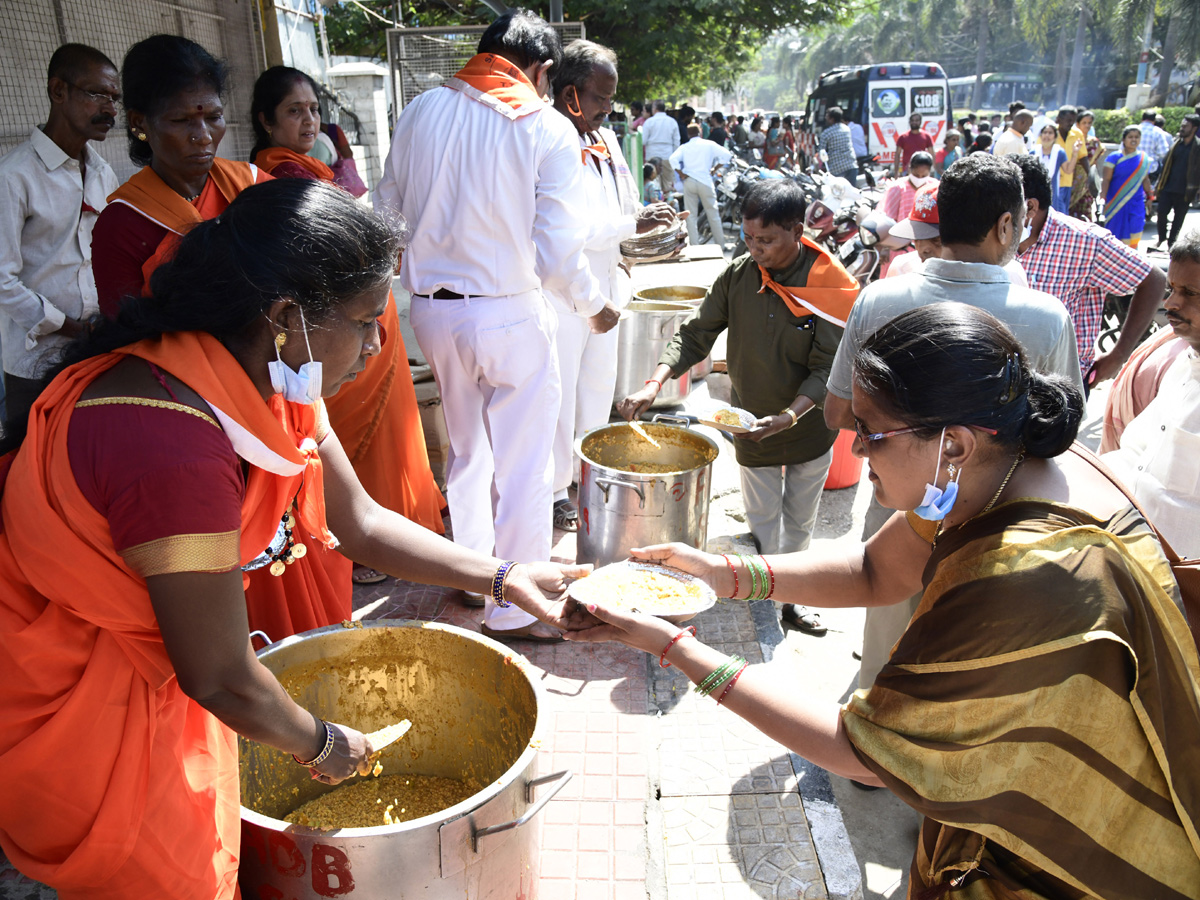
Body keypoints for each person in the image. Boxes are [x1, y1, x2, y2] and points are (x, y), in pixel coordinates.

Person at [0, 179, 590, 900]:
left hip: (163, 676)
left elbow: (360, 522)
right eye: (368, 319)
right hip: (90, 700)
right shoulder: (169, 440)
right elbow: (217, 676)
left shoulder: (271, 377)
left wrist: (505, 575)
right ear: (286, 315)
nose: (379, 344)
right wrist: (326, 745)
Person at [570, 301, 1200, 900]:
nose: (858, 451)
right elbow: (875, 568)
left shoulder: (1020, 579)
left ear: (952, 442)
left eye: (871, 434)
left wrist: (674, 645)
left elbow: (860, 754)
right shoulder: (991, 468)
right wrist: (718, 573)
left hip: (1082, 857)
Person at [374, 8, 603, 641]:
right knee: (525, 462)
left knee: (468, 450)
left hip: (433, 312)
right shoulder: (545, 126)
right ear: (543, 70)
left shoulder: (419, 111)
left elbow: (385, 214)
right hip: (508, 310)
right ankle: (516, 608)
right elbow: (558, 253)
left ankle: (473, 576)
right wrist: (594, 305)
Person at [824, 154, 1083, 690]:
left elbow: (837, 412)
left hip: (898, 500)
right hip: (997, 519)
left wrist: (904, 436)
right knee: (973, 653)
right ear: (1007, 224)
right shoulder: (1045, 316)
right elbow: (1057, 430)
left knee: (887, 637)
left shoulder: (879, 299)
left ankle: (873, 740)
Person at [619, 180, 859, 637]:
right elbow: (696, 333)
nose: (756, 249)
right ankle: (773, 597)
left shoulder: (829, 286)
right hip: (750, 425)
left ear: (797, 229)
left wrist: (789, 416)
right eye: (749, 238)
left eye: (766, 240)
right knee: (764, 522)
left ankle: (795, 600)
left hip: (808, 427)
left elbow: (829, 365)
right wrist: (655, 382)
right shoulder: (739, 275)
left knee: (801, 522)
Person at [248, 65, 447, 584]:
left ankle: (404, 524)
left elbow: (357, 197)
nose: (309, 119)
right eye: (294, 111)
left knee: (390, 423)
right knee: (346, 432)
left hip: (351, 315)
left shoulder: (315, 163)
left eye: (314, 109)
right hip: (329, 320)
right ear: (265, 122)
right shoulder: (275, 176)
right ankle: (362, 542)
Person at [548, 40, 678, 531]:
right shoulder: (551, 139)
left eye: (611, 97)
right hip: (563, 286)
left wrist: (638, 231)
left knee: (598, 386)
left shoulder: (605, 139)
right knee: (560, 392)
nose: (608, 107)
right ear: (569, 93)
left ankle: (589, 473)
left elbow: (621, 204)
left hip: (607, 278)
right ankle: (558, 488)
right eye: (600, 97)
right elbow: (569, 229)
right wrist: (631, 226)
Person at [92, 35, 273, 317]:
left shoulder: (254, 186)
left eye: (213, 117)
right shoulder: (122, 225)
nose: (202, 137)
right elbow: (124, 334)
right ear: (139, 123)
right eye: (180, 121)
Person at [0, 44, 119, 424]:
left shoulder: (104, 174)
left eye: (114, 97)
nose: (110, 109)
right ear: (58, 91)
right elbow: (2, 280)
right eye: (96, 94)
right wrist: (70, 328)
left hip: (95, 352)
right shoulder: (14, 176)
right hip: (35, 362)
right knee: (28, 467)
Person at [1014, 152, 1167, 387]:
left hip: (1062, 383)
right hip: (1010, 379)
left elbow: (1153, 280)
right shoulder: (998, 241)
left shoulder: (1086, 241)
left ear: (1030, 207)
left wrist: (1118, 355)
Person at [1102, 232, 1200, 560]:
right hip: (1140, 558)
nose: (1170, 303)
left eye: (1190, 293)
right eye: (1172, 289)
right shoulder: (1181, 366)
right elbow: (1134, 457)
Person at [670, 122, 733, 246]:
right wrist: (715, 168)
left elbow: (673, 159)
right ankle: (720, 244)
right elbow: (727, 155)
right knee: (713, 214)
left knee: (691, 215)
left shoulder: (684, 147)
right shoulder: (709, 144)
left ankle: (694, 245)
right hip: (705, 181)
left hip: (689, 181)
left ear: (688, 134)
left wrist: (681, 174)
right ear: (700, 132)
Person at [1101, 125, 1155, 248]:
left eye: (1137, 137)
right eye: (1130, 137)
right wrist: (1102, 198)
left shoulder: (1143, 158)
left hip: (1136, 203)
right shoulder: (1114, 157)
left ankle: (1131, 258)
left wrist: (1150, 197)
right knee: (1115, 232)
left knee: (1135, 229)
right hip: (1116, 202)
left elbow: (1145, 179)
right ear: (1124, 139)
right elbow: (1106, 180)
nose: (1134, 140)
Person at [1155, 114, 1200, 250]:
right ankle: (1162, 238)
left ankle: (1171, 244)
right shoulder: (1176, 144)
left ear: (1194, 128)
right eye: (1182, 125)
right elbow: (1166, 165)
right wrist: (1159, 184)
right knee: (1161, 213)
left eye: (1185, 126)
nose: (1182, 128)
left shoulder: (1198, 147)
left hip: (1186, 190)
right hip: (1168, 187)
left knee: (1178, 220)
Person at [1069, 110, 1104, 220]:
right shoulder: (1073, 140)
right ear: (1078, 124)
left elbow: (1094, 163)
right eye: (1084, 123)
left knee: (1085, 209)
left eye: (1089, 123)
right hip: (1072, 179)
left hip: (1086, 182)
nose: (1087, 125)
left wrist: (1093, 178)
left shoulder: (1094, 142)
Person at [881, 151, 934, 223]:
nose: (919, 178)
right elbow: (889, 218)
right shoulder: (897, 188)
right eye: (916, 175)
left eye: (923, 176)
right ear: (909, 169)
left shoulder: (934, 187)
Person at [1052, 105, 1085, 214]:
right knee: (1059, 215)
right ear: (1059, 119)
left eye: (1073, 121)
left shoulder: (1077, 134)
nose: (1071, 123)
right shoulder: (1049, 134)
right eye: (1068, 120)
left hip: (1068, 182)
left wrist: (1091, 176)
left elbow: (1083, 156)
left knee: (1064, 213)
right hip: (1054, 182)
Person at [641, 98, 679, 192]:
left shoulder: (649, 122)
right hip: (667, 155)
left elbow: (643, 141)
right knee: (668, 184)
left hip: (652, 155)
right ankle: (668, 204)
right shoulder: (672, 122)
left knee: (653, 183)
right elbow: (677, 141)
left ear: (654, 109)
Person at [818, 106, 858, 184]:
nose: (825, 118)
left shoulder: (826, 133)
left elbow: (821, 151)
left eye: (827, 116)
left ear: (832, 119)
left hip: (836, 169)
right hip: (851, 165)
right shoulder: (847, 129)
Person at [1033, 123, 1068, 200]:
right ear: (1040, 135)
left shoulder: (1059, 152)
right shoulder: (1033, 152)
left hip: (1053, 190)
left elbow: (1068, 170)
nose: (1047, 135)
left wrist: (1075, 154)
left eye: (1050, 133)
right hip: (1036, 190)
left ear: (1055, 137)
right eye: (1045, 132)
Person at [1138, 108, 1173, 178]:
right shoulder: (1158, 132)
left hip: (1132, 167)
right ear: (1154, 121)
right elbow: (1163, 153)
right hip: (1151, 169)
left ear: (1142, 120)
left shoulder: (1132, 129)